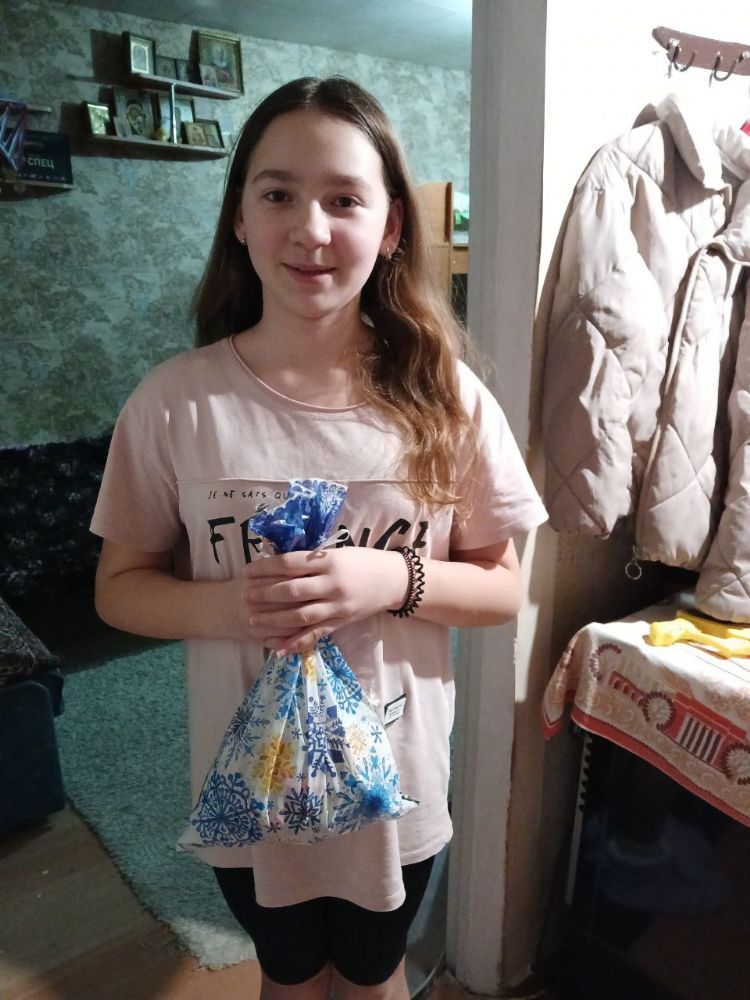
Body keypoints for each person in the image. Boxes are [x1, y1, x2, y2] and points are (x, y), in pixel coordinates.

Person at [91, 76, 547, 1000]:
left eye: (344, 199)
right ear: (240, 219)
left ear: (391, 227)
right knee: (288, 975)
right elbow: (118, 587)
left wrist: (391, 579)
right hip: (250, 788)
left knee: (373, 976)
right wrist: (230, 605)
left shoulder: (448, 400)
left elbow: (503, 587)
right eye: (278, 194)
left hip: (397, 788)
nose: (310, 228)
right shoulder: (175, 404)